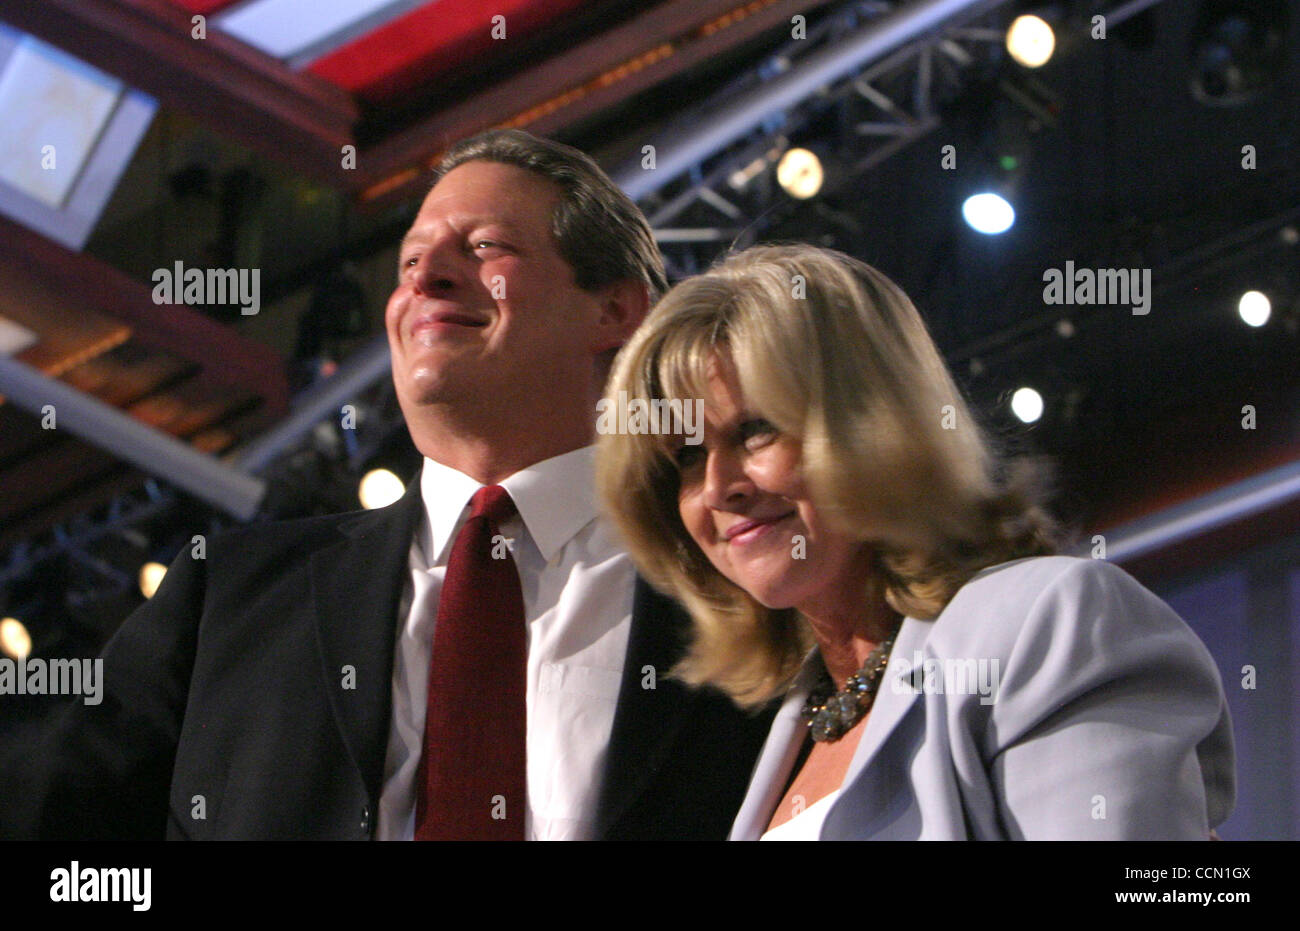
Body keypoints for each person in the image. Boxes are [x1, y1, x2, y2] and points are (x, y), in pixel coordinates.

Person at [5, 130, 773, 840]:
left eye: (485, 246)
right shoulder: (230, 596)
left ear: (614, 309)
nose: (427, 278)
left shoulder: (745, 585)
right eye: (409, 263)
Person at [595, 244, 1236, 840]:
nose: (718, 488)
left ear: (872, 424)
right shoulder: (784, 726)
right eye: (685, 456)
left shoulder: (1052, 623)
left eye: (756, 431)